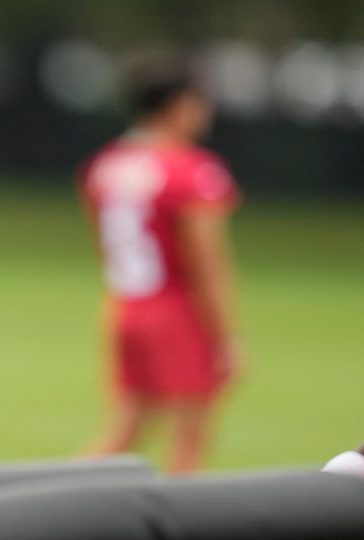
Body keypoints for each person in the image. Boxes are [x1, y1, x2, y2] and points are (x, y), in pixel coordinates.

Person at [78, 55, 242, 472]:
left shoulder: (107, 164)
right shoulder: (191, 169)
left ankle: (53, 503)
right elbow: (207, 262)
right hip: (176, 308)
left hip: (127, 304)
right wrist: (225, 335)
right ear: (179, 104)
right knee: (190, 435)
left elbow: (104, 243)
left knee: (128, 427)